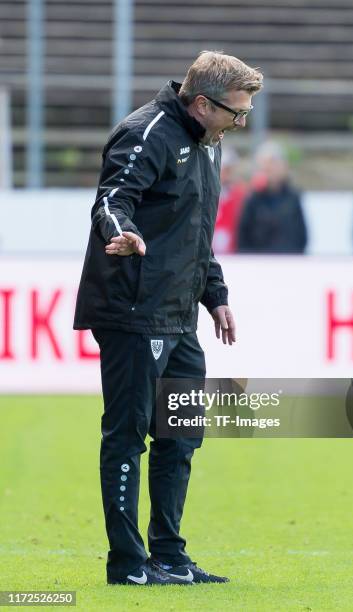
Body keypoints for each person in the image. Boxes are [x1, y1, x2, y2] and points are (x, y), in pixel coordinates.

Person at [73, 51, 263, 586]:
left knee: (180, 436)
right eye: (236, 112)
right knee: (128, 435)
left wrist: (215, 296)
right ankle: (128, 567)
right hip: (134, 310)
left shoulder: (208, 143)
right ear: (202, 103)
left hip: (179, 315)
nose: (240, 122)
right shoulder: (147, 132)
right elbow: (112, 200)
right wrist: (120, 233)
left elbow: (195, 232)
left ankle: (170, 557)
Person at [237, 141, 307, 253]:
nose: (269, 168)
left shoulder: (293, 198)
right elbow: (243, 238)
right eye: (265, 164)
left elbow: (301, 236)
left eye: (273, 163)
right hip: (257, 263)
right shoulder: (252, 199)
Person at [212, 147, 247, 254]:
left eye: (229, 170)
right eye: (225, 169)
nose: (227, 174)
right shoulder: (207, 191)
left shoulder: (240, 194)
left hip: (234, 252)